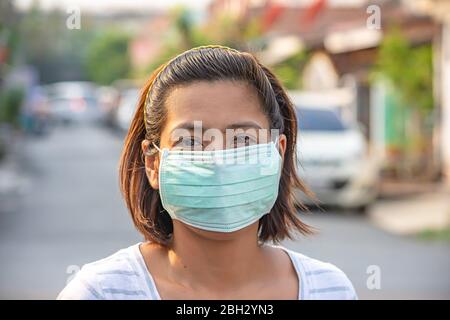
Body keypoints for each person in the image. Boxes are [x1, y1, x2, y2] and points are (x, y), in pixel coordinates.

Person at [57, 45, 357, 300]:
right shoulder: (100, 291)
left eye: (242, 139)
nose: (218, 160)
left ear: (277, 154)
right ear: (153, 164)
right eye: (190, 141)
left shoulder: (329, 289)